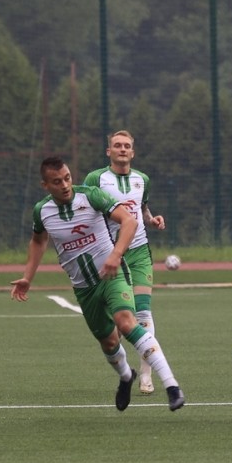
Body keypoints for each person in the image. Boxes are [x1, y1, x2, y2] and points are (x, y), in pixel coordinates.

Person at [10, 156, 186, 413]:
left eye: (67, 178)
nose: (65, 185)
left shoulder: (90, 196)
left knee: (127, 322)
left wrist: (116, 255)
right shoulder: (42, 210)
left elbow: (130, 221)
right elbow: (38, 241)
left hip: (113, 275)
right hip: (84, 288)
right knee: (109, 343)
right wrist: (27, 277)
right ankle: (126, 376)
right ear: (45, 185)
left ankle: (172, 387)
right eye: (57, 182)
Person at [84, 130, 165, 395]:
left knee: (143, 312)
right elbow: (85, 210)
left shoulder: (143, 179)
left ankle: (146, 376)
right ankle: (123, 370)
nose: (122, 149)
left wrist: (152, 220)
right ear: (108, 151)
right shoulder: (96, 179)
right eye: (117, 145)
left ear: (133, 152)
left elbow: (142, 209)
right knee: (116, 324)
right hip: (109, 254)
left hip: (139, 252)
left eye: (126, 146)